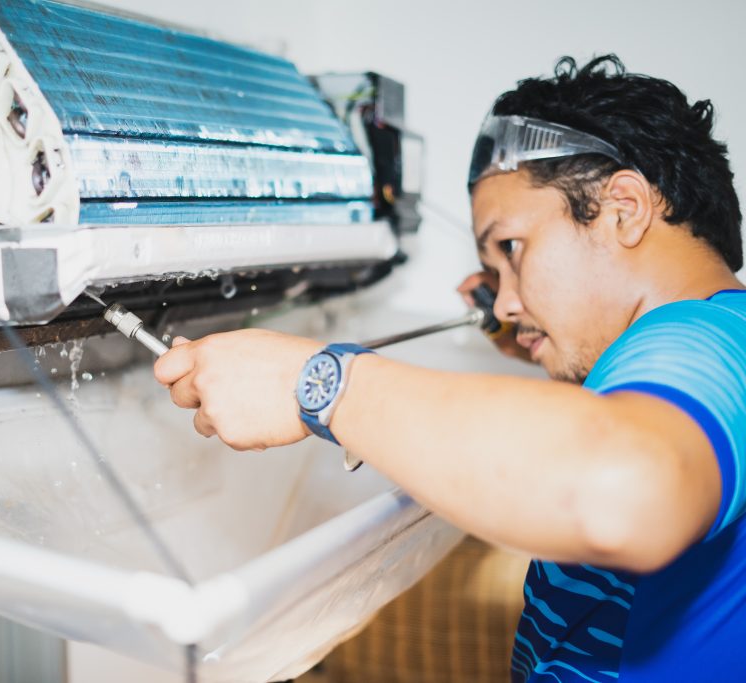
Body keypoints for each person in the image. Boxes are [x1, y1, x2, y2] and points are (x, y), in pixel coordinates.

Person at [154, 55, 746, 681]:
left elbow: (624, 489)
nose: (508, 301)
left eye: (511, 249)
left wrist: (317, 383)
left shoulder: (708, 341)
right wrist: (539, 340)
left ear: (623, 208)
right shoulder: (701, 341)